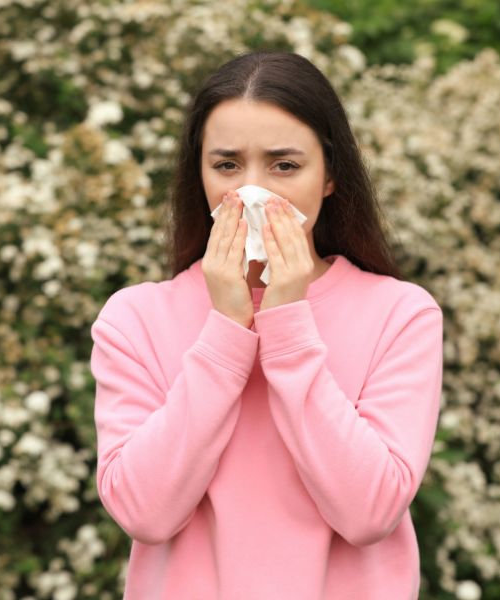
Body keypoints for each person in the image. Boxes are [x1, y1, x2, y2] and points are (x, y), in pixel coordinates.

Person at [90, 50, 444, 599]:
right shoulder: (135, 318)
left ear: (329, 176)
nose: (251, 192)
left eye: (285, 165)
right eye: (227, 165)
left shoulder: (400, 315)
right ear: (199, 173)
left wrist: (287, 324)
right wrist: (227, 329)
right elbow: (144, 513)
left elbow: (371, 512)